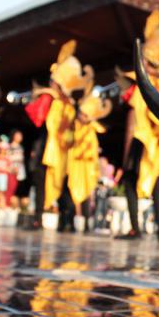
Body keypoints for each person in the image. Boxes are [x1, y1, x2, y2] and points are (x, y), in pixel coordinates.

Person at [117, 10, 159, 240]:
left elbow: (143, 116)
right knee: (150, 182)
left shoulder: (149, 84)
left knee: (137, 180)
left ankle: (145, 228)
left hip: (146, 141)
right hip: (153, 142)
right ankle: (156, 228)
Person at [25, 40, 85, 228]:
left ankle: (38, 219)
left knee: (42, 181)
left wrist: (36, 98)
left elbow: (36, 118)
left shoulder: (50, 97)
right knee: (62, 180)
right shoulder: (71, 103)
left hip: (48, 146)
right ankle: (66, 221)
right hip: (64, 149)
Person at [67, 66, 111, 231]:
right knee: (72, 192)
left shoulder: (92, 130)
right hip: (74, 165)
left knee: (86, 194)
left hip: (85, 166)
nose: (81, 116)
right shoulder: (74, 126)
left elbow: (92, 150)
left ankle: (86, 224)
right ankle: (70, 222)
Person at [8, 130, 28, 209]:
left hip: (20, 170)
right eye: (18, 135)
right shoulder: (10, 146)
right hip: (12, 168)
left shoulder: (21, 147)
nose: (20, 137)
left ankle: (16, 206)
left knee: (18, 187)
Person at [0, 140, 12, 209]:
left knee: (1, 192)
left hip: (3, 177)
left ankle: (2, 206)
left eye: (4, 149)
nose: (3, 150)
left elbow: (9, 168)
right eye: (1, 149)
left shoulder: (7, 159)